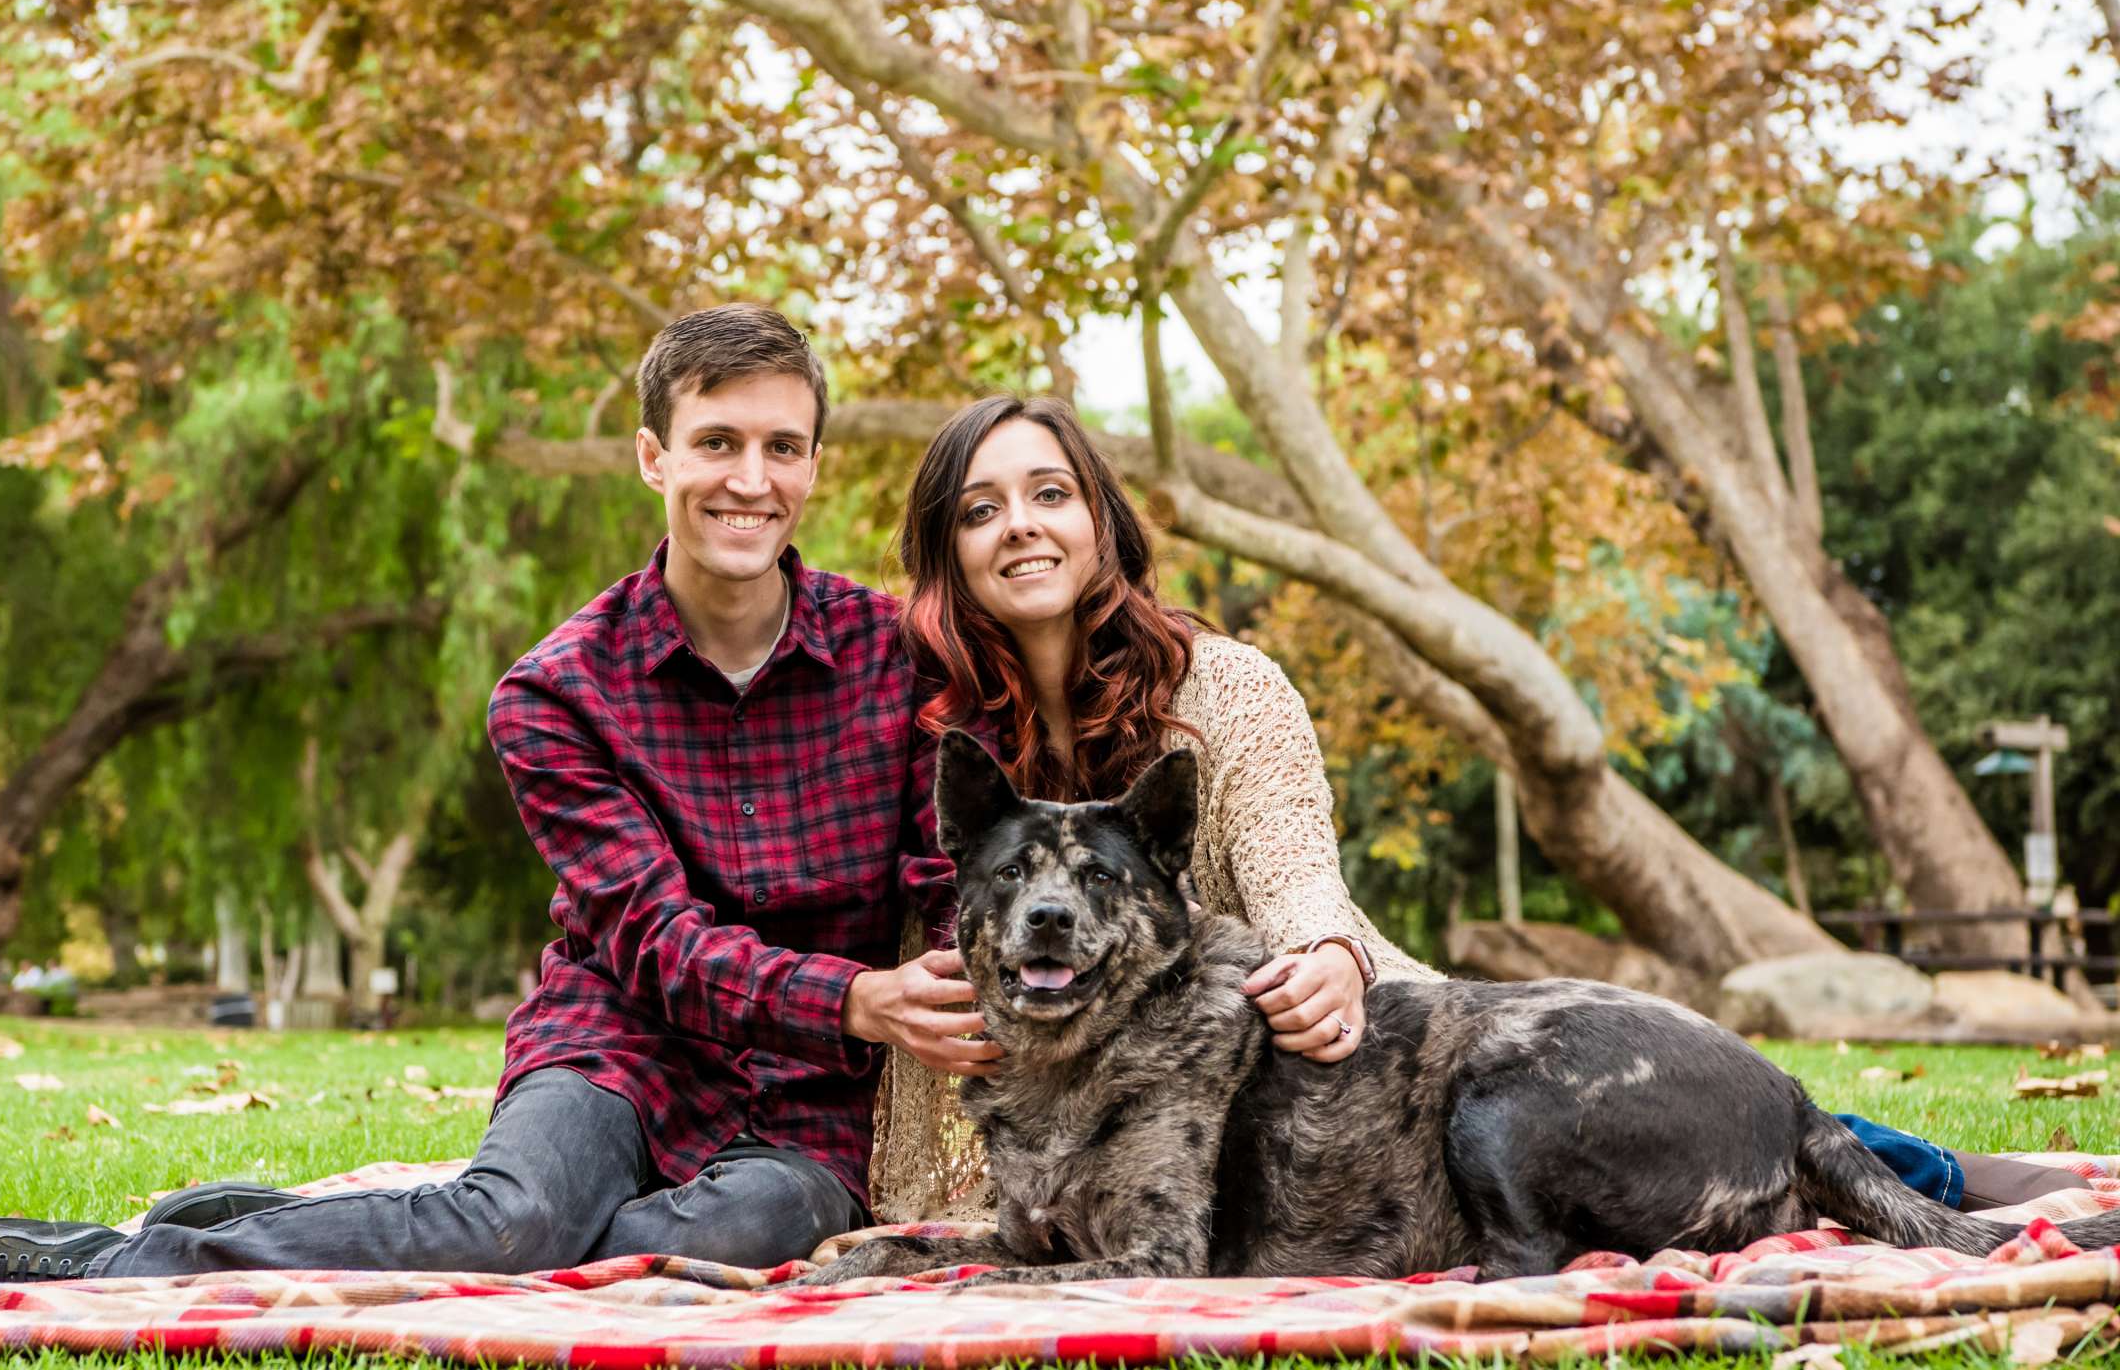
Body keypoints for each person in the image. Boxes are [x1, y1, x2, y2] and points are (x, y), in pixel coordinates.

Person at [0, 306, 990, 1288]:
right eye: (717, 442)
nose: (751, 478)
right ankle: (95, 1261)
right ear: (653, 457)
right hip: (619, 1042)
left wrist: (946, 981)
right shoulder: (557, 691)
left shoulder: (899, 656)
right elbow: (655, 940)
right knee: (512, 1223)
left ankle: (281, 1224)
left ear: (815, 467)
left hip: (806, 1098)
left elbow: (944, 876)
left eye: (782, 446)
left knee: (726, 1245)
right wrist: (858, 996)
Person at [865, 393, 2094, 1222]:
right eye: (980, 508)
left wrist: (1331, 952)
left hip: (1297, 1075)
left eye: (1049, 494)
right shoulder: (912, 723)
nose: (1019, 525)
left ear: (1101, 518)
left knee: (1632, 1103)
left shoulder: (1224, 689)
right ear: (944, 546)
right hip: (1046, 1108)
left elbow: (1297, 872)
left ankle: (1922, 1168)